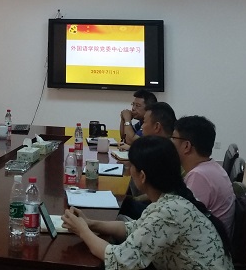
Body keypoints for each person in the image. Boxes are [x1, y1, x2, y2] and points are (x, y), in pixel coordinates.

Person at [62, 136, 233, 270]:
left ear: (142, 176)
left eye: (131, 166)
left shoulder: (169, 211)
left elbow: (119, 260)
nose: (129, 170)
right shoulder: (172, 199)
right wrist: (90, 223)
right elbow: (133, 228)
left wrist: (82, 231)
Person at [171, 115, 236, 237]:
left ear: (186, 146)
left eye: (173, 138)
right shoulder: (210, 167)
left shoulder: (199, 176)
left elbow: (183, 221)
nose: (170, 143)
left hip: (208, 242)